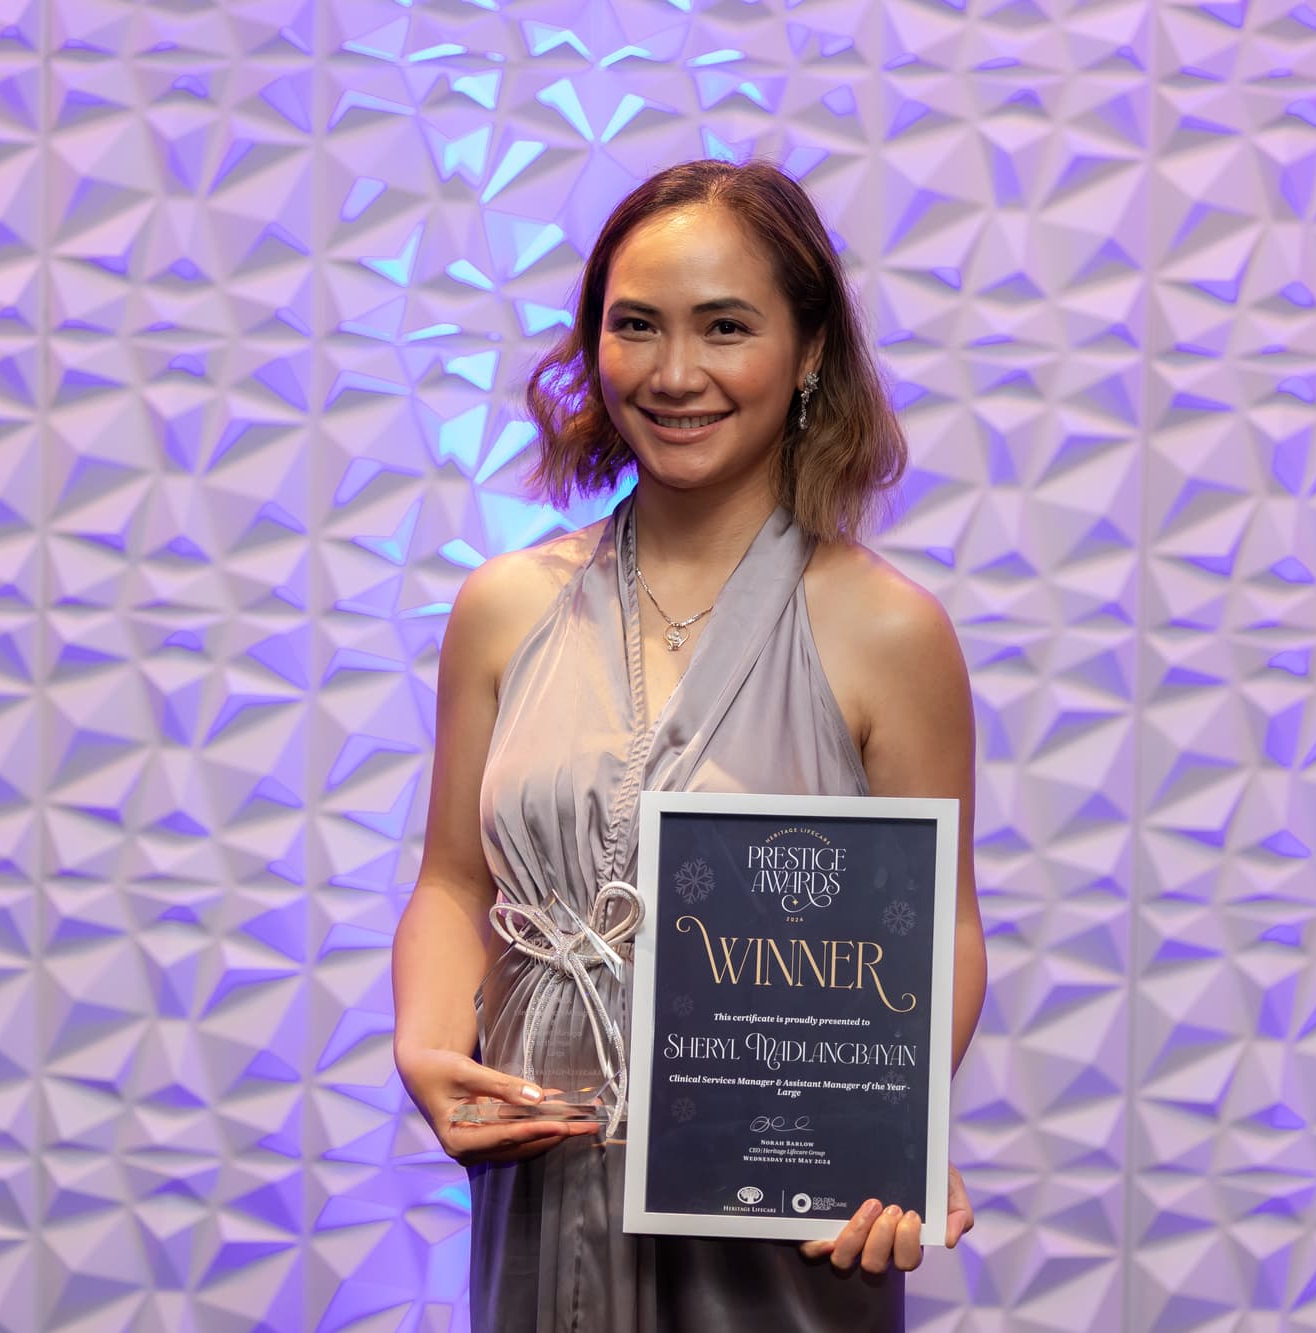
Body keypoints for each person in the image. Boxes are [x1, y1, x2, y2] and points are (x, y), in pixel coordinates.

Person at [392, 158, 988, 1332]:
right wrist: (422, 1044)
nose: (673, 373)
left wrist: (891, 1128)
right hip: (542, 1185)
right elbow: (453, 882)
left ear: (809, 350)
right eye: (635, 325)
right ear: (591, 345)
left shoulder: (889, 629)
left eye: (724, 327)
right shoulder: (502, 605)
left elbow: (942, 925)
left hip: (777, 1226)